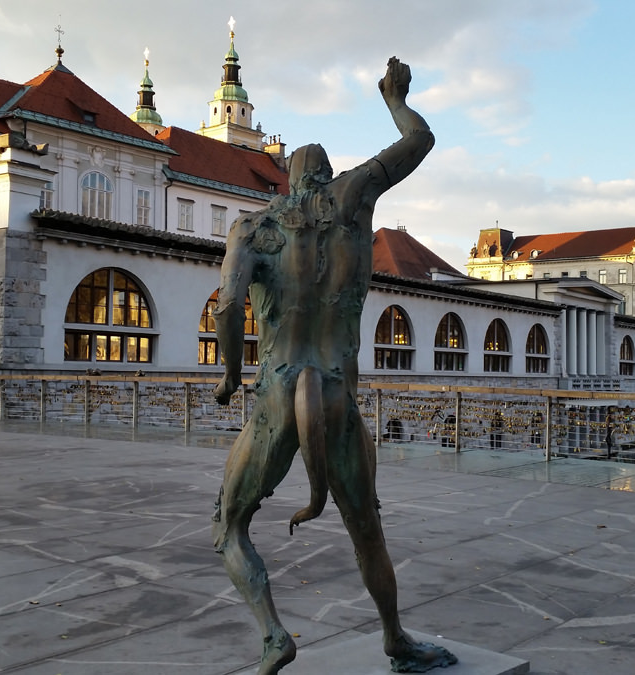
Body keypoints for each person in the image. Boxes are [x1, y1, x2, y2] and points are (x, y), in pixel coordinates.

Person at [211, 57, 454, 674]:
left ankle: (274, 636)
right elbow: (420, 139)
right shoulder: (354, 195)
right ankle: (395, 638)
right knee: (365, 527)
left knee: (231, 527)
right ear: (325, 176)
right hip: (338, 392)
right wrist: (395, 98)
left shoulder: (253, 227)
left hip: (276, 391)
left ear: (288, 178)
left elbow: (232, 306)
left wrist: (231, 376)